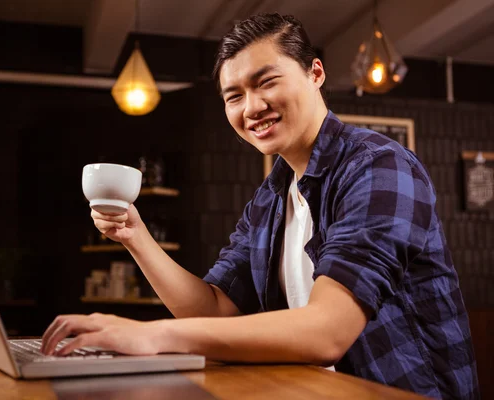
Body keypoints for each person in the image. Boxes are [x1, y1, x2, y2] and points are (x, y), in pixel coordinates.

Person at [41, 13, 478, 399]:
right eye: (234, 96)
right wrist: (134, 235)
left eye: (266, 82)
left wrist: (153, 335)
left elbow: (327, 331)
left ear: (315, 73)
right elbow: (212, 306)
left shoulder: (379, 167)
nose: (251, 107)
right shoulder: (272, 196)